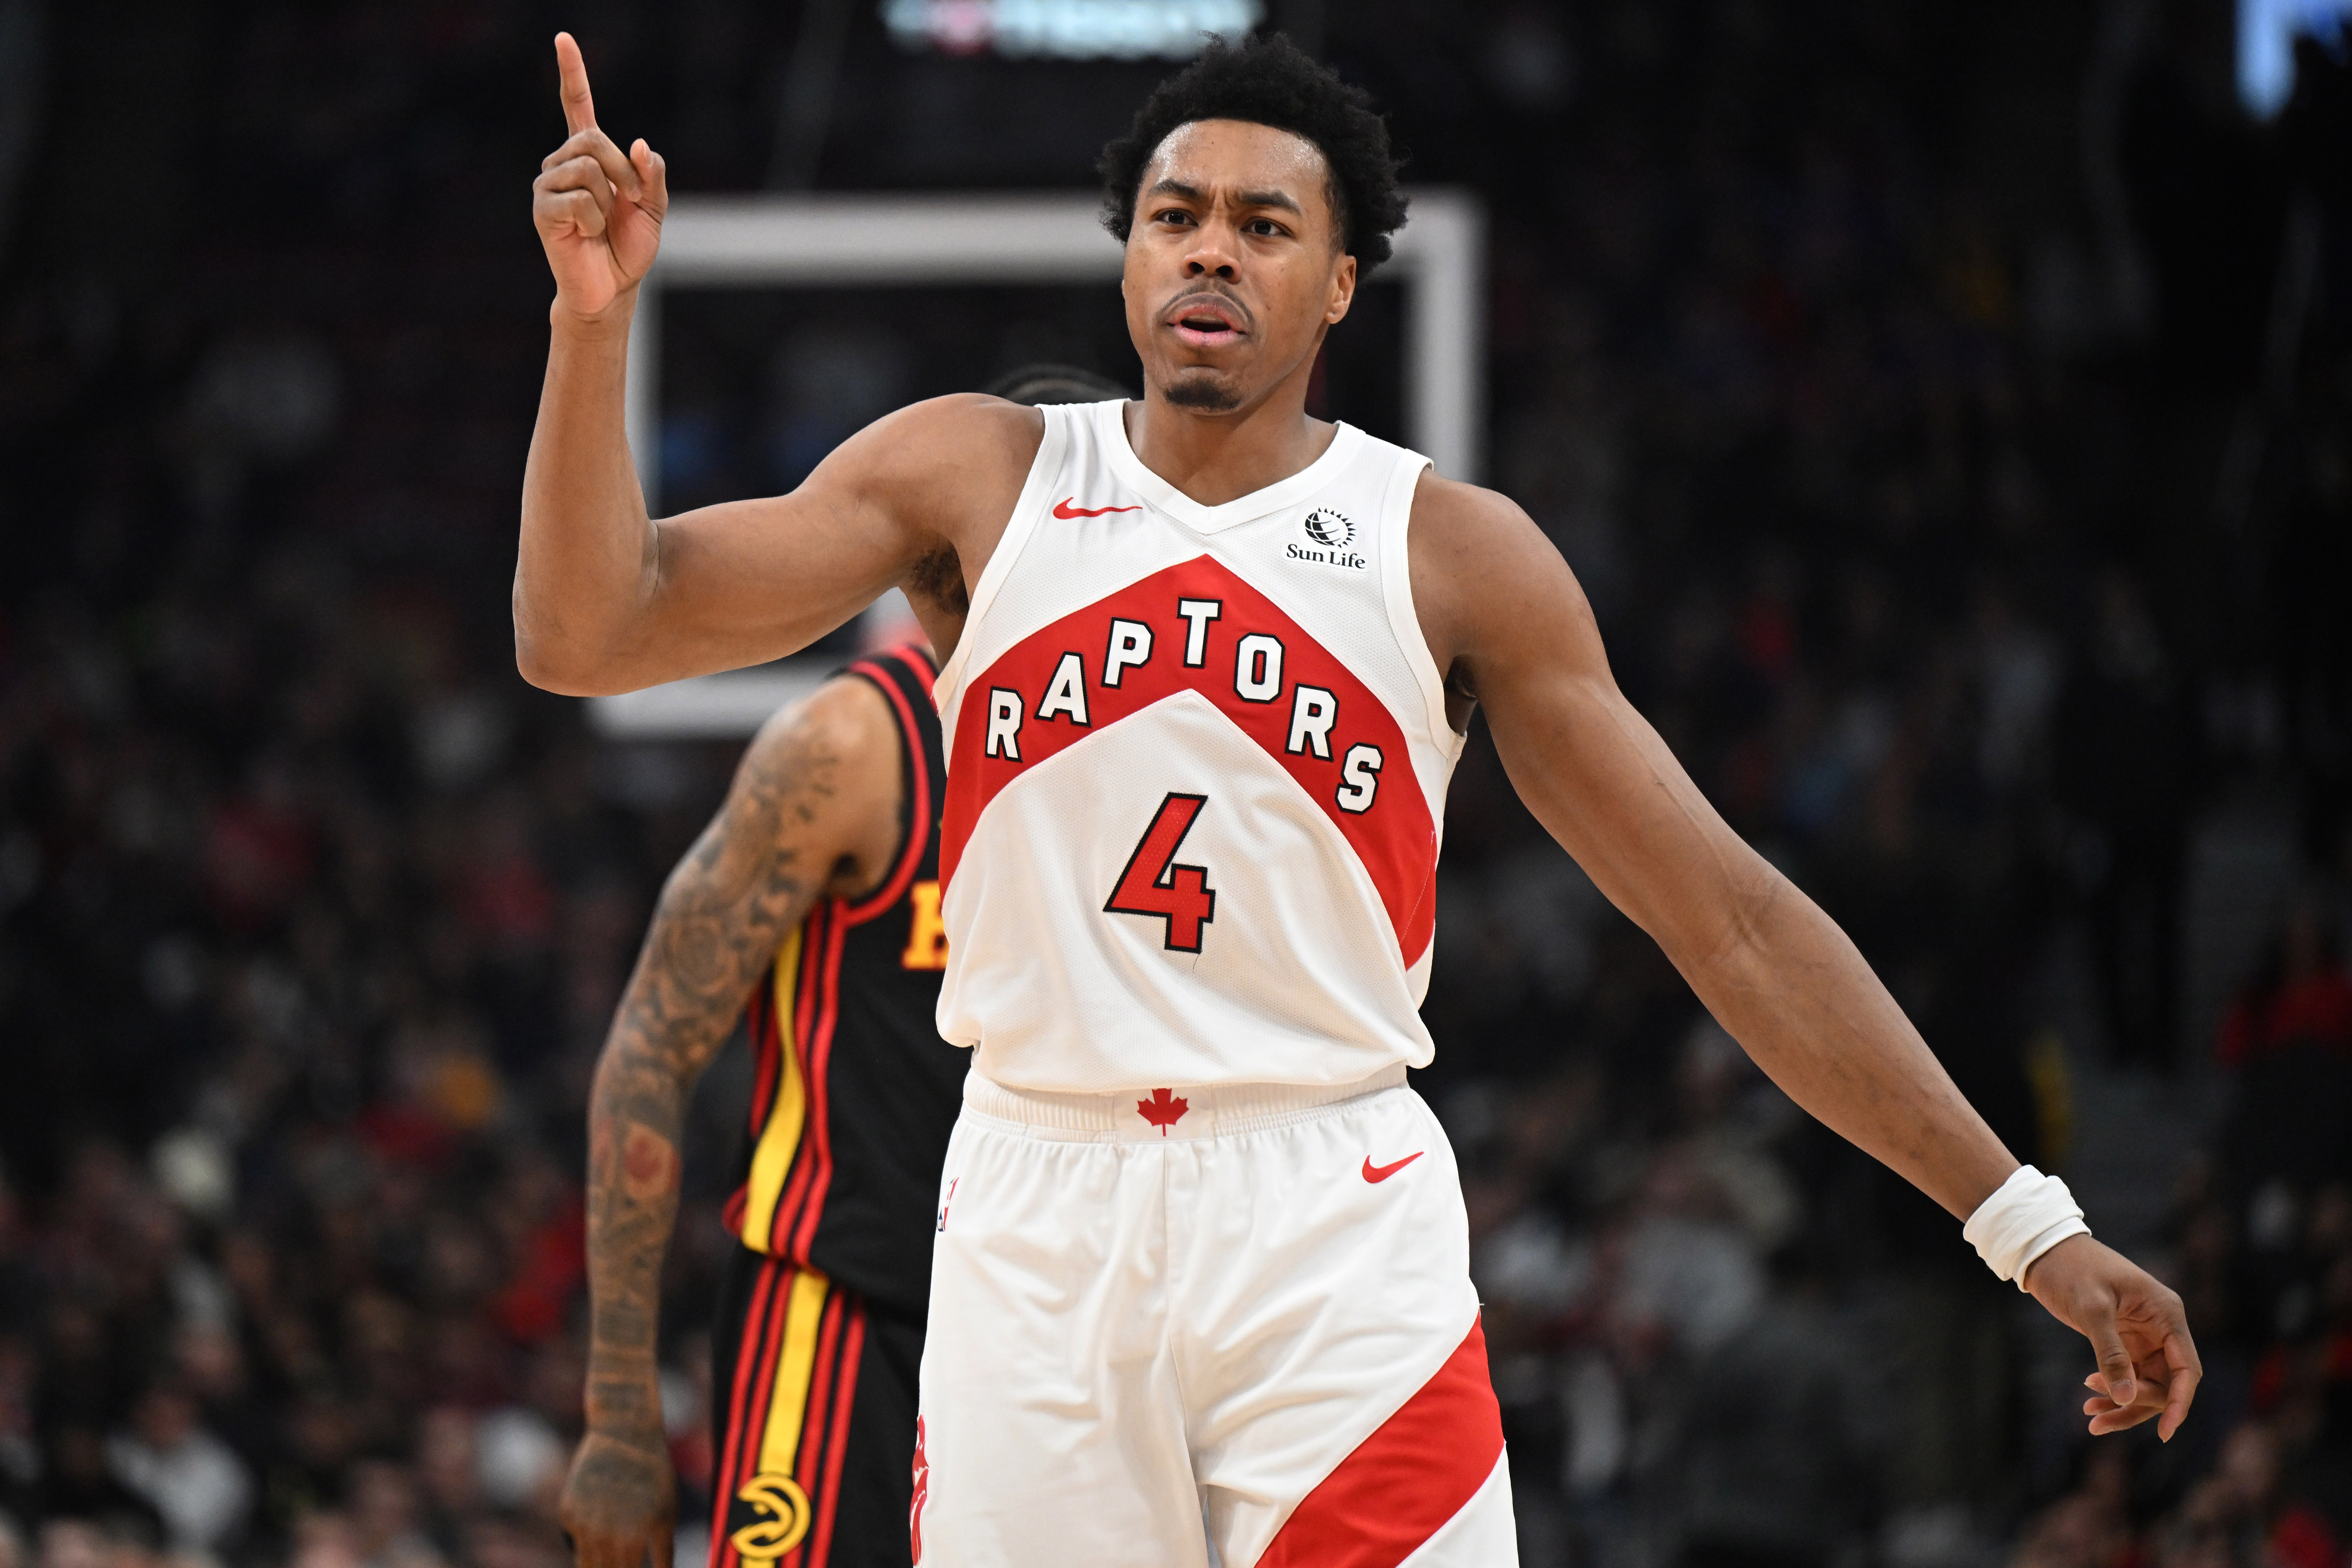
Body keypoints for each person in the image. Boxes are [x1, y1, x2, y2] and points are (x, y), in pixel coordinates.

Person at [521, 31, 2202, 1566]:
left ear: (1338, 282)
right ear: (1126, 257)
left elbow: (1731, 923)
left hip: (1321, 1216)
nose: (1209, 249)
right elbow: (589, 631)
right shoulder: (978, 475)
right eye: (1174, 216)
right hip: (1034, 1208)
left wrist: (2028, 1228)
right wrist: (591, 329)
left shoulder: (1451, 552)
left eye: (1262, 225)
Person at [555, 371, 1131, 1568]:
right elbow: (648, 1051)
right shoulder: (855, 745)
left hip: (1067, 1333)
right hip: (845, 1316)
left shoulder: (1169, 759)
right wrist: (619, 1414)